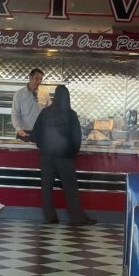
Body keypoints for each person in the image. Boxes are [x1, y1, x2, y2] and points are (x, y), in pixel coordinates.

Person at [30, 85, 95, 225]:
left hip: (46, 156)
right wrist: (72, 154)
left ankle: (50, 217)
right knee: (71, 188)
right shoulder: (71, 114)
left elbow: (35, 134)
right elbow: (77, 138)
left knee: (47, 187)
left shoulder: (45, 112)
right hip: (65, 157)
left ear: (55, 97)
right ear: (67, 98)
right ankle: (77, 217)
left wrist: (43, 146)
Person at [12, 68, 47, 140]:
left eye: (41, 79)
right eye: (36, 78)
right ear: (30, 77)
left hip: (41, 132)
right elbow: (15, 113)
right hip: (23, 132)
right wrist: (18, 129)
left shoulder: (45, 94)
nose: (39, 81)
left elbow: (49, 112)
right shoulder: (19, 94)